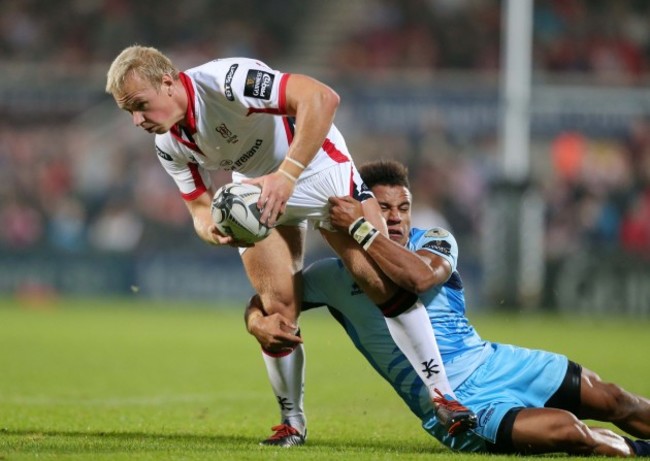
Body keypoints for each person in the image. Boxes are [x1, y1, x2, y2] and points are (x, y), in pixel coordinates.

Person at [105, 46, 474, 445]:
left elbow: (322, 98)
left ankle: (445, 397)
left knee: (380, 283)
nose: (138, 120)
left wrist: (288, 174)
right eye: (130, 113)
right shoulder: (169, 144)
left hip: (316, 169)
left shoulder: (228, 80)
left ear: (168, 81)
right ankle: (291, 422)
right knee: (276, 313)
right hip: (256, 189)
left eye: (141, 106)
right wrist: (212, 229)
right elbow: (198, 208)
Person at [245, 159, 650, 456]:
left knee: (613, 399)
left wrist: (361, 228)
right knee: (569, 432)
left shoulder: (434, 240)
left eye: (403, 208)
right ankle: (636, 451)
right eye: (383, 208)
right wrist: (255, 322)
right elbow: (271, 298)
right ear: (362, 205)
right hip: (456, 404)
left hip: (495, 361)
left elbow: (418, 279)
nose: (397, 218)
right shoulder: (332, 278)